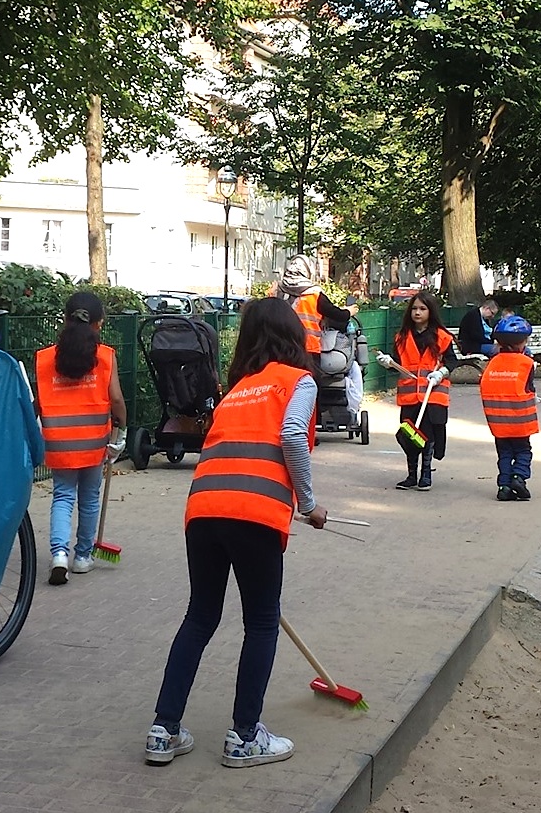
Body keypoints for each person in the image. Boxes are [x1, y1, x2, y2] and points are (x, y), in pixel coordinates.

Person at [146, 297, 328, 769]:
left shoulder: (238, 389)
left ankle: (164, 730)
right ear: (294, 338)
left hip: (204, 510)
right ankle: (245, 736)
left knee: (200, 617)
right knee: (262, 621)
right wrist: (308, 505)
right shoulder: (297, 381)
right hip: (255, 513)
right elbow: (291, 436)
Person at [35, 292, 127, 585]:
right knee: (89, 499)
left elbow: (38, 402)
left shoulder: (46, 358)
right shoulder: (105, 356)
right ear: (99, 324)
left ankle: (59, 554)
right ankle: (83, 556)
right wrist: (120, 433)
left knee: (62, 496)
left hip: (58, 441)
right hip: (93, 442)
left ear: (64, 320)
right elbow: (116, 400)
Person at [376, 290, 461, 491]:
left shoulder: (442, 336)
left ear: (430, 311)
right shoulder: (402, 337)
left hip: (433, 395)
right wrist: (389, 363)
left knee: (428, 436)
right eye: (414, 308)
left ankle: (426, 474)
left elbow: (452, 361)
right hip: (410, 396)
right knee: (410, 435)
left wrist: (441, 373)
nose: (417, 312)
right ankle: (411, 475)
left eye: (422, 309)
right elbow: (399, 363)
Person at [275, 254, 363, 424]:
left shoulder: (279, 290)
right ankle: (309, 427)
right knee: (309, 388)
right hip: (308, 349)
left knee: (285, 388)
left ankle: (283, 423)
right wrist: (349, 312)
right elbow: (336, 314)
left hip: (282, 349)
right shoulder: (314, 293)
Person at [480, 315, 538, 501]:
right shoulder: (526, 363)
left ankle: (504, 487)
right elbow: (529, 388)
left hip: (498, 422)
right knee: (523, 451)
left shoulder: (492, 363)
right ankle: (518, 477)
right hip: (520, 420)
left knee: (504, 453)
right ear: (522, 343)